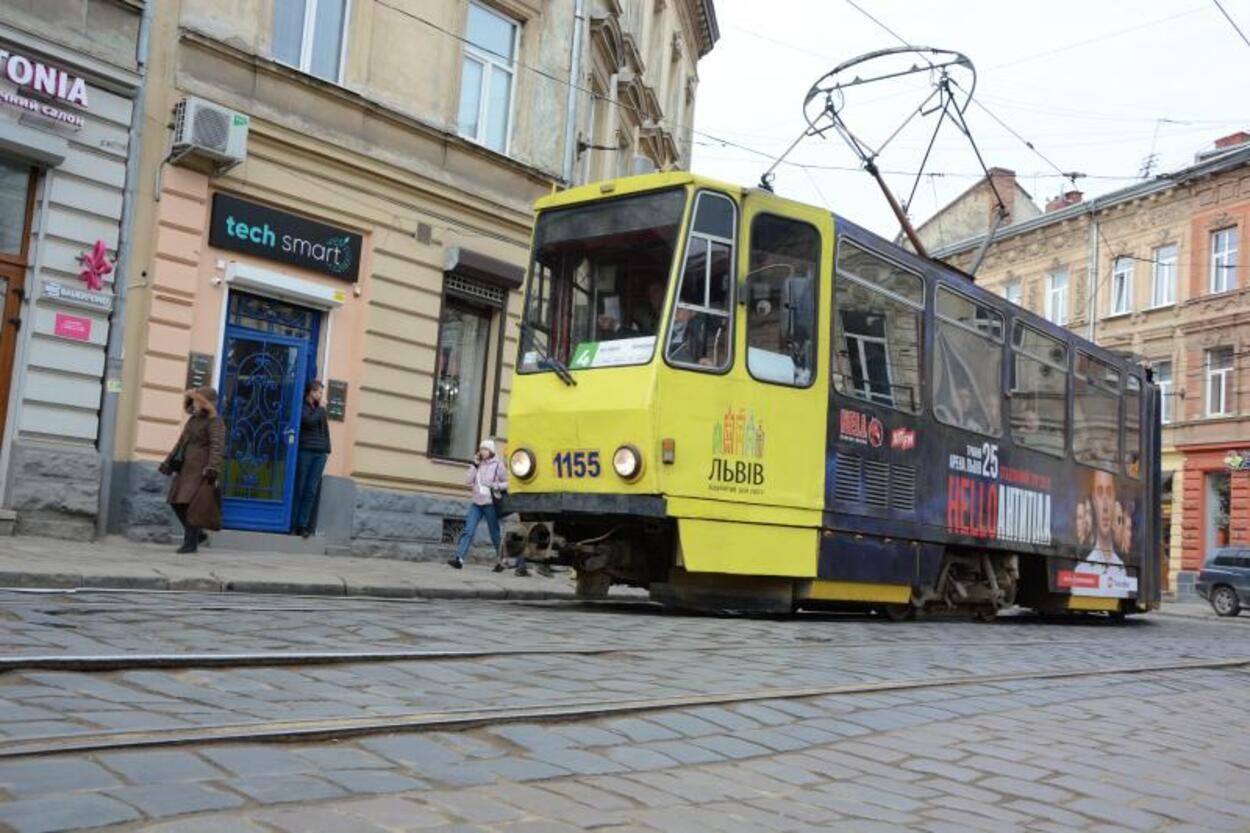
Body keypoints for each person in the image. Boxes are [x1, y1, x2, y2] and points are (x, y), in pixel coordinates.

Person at [159, 387, 225, 555]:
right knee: (176, 501)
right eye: (193, 400)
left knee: (190, 504)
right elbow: (181, 442)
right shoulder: (193, 420)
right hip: (186, 467)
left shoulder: (215, 421)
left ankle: (190, 543)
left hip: (201, 468)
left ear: (206, 403)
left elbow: (217, 446)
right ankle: (198, 535)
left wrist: (212, 468)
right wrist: (168, 462)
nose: (194, 403)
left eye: (198, 400)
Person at [447, 439, 513, 572]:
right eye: (481, 449)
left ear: (491, 451)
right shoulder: (478, 464)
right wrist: (474, 465)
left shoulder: (498, 465)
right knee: (468, 530)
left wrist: (496, 485)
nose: (482, 451)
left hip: (490, 504)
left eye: (485, 449)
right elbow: (467, 481)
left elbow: (508, 483)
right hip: (476, 503)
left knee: (494, 534)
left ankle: (502, 561)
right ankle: (459, 559)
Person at [292, 380, 331, 538]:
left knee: (311, 490)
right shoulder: (303, 407)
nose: (321, 395)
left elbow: (324, 429)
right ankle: (293, 523)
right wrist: (321, 408)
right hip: (306, 450)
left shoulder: (319, 409)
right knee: (300, 487)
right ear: (311, 392)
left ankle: (303, 525)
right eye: (319, 392)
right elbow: (309, 421)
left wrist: (327, 449)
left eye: (322, 392)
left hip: (320, 452)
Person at [1077, 469, 1125, 575]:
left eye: (1109, 493)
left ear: (1114, 498)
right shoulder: (1082, 570)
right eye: (1099, 492)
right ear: (1093, 500)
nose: (1105, 506)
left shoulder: (1122, 570)